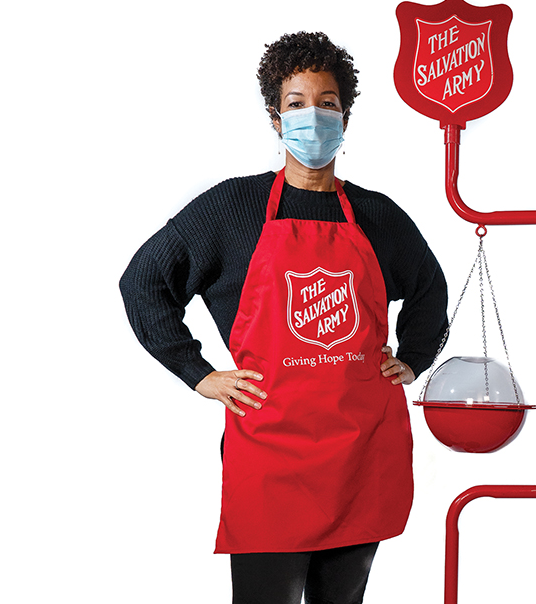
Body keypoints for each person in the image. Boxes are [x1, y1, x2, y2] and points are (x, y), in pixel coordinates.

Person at [119, 31, 449, 604]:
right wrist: (197, 372)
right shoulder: (232, 209)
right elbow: (144, 281)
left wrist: (414, 359)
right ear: (275, 118)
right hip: (270, 458)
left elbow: (429, 288)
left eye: (327, 103)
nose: (313, 117)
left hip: (359, 453)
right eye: (297, 103)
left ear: (346, 117)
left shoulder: (376, 214)